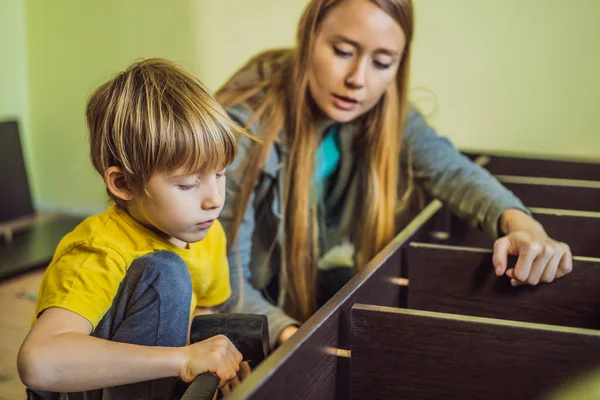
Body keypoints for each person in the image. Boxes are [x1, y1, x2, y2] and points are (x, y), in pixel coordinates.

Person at [215, 0, 574, 348]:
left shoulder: (383, 109)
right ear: (308, 36)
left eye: (383, 62)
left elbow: (451, 170)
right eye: (342, 51)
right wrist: (303, 346)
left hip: (298, 291)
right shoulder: (241, 129)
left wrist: (522, 225)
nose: (358, 79)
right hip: (246, 310)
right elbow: (230, 290)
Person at [17, 58, 250, 399]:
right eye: (187, 185)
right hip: (77, 390)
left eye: (220, 174)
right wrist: (182, 359)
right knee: (164, 272)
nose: (214, 199)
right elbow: (37, 363)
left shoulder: (207, 232)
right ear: (123, 183)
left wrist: (212, 358)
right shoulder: (99, 249)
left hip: (153, 384)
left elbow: (201, 312)